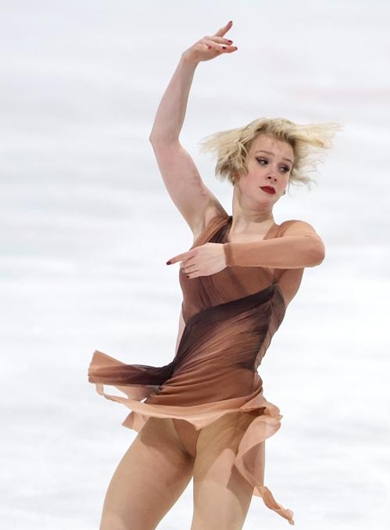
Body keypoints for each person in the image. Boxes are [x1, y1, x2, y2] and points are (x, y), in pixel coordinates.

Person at [88, 21, 337, 530]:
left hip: (230, 417)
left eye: (284, 168)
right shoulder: (208, 223)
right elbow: (163, 141)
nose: (273, 172)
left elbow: (313, 251)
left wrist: (231, 259)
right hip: (172, 410)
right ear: (239, 165)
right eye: (263, 160)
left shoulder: (285, 236)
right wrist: (188, 63)